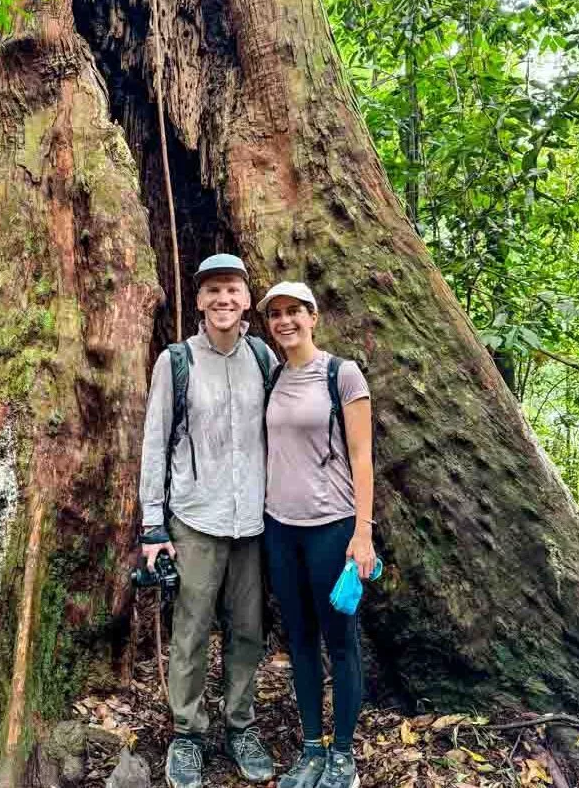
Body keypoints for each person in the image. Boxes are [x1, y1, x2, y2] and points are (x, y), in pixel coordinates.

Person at [138, 254, 277, 788]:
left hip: (252, 525)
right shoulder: (176, 362)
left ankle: (240, 724)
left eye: (233, 290)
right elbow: (155, 445)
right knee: (191, 630)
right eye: (213, 290)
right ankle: (187, 734)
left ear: (247, 299)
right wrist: (153, 527)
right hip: (196, 518)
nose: (223, 299)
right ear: (198, 300)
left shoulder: (263, 359)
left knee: (247, 631)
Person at [257, 281, 377, 788]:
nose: (285, 321)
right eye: (276, 315)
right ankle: (311, 748)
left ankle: (343, 753)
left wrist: (363, 532)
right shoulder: (273, 376)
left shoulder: (341, 374)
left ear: (313, 316)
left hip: (332, 527)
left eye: (294, 312)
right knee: (301, 641)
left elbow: (362, 457)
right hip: (280, 529)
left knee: (341, 641)